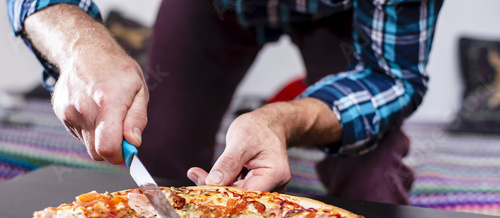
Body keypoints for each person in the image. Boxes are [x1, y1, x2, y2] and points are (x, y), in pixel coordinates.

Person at [7, 0, 443, 204]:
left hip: (349, 16)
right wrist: (77, 46)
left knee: (373, 185)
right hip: (212, 7)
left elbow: (391, 77)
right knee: (157, 155)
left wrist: (281, 120)